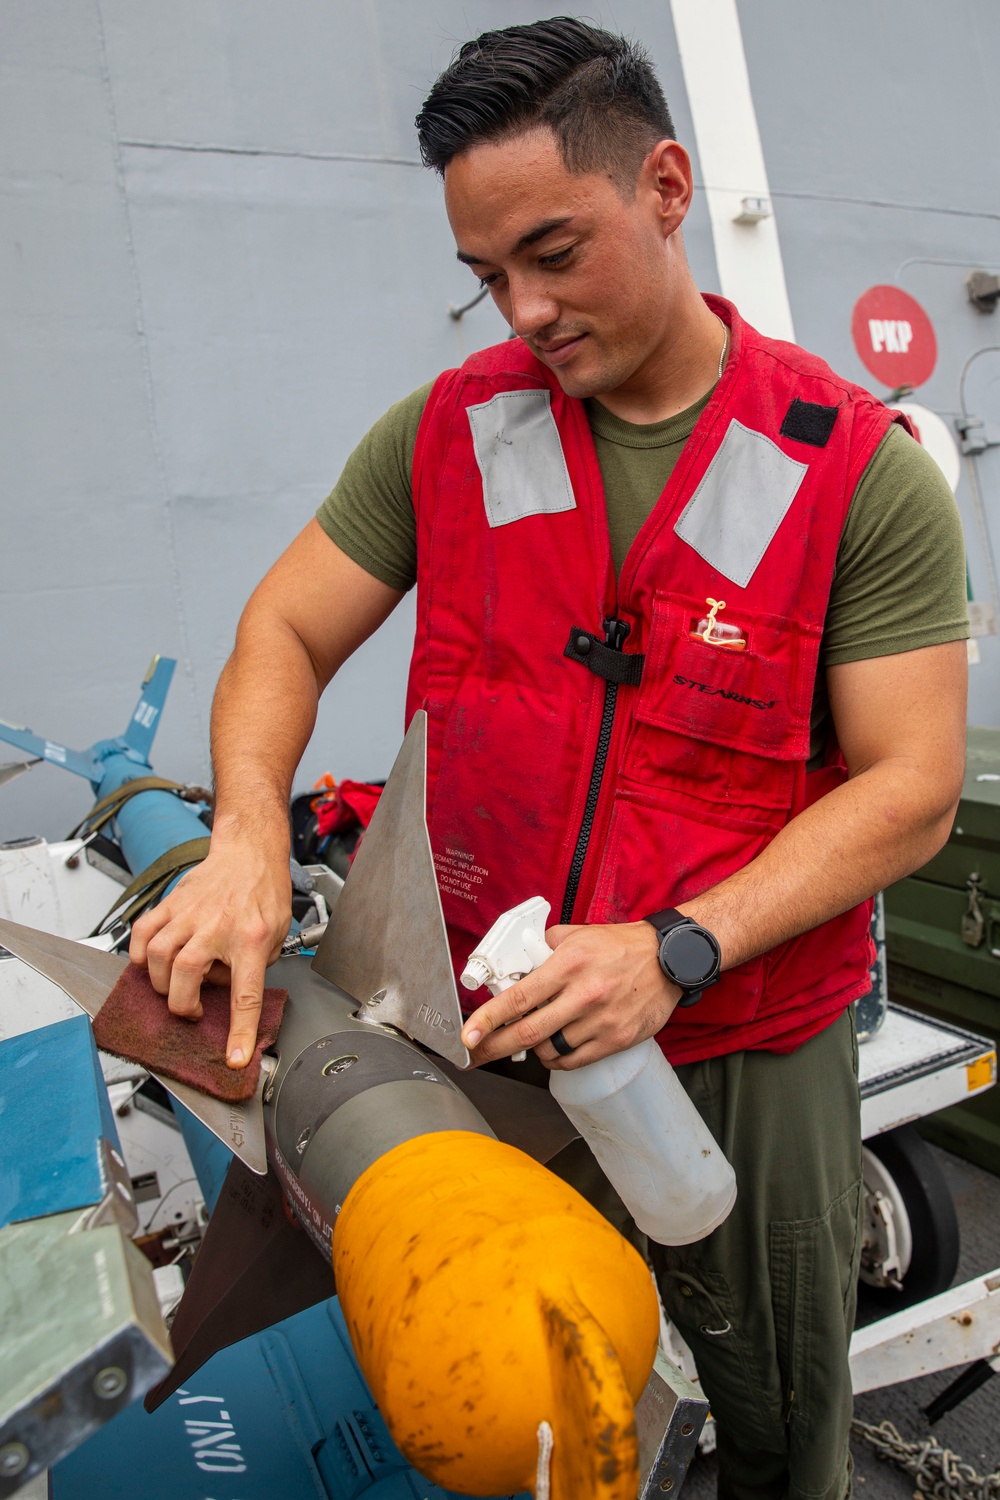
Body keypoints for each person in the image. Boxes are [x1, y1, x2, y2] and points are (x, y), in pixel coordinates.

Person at [130, 18, 969, 1498]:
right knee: (516, 1390)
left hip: (735, 1047)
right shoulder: (446, 437)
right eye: (485, 278)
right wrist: (252, 834)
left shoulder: (855, 472)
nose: (521, 309)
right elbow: (283, 631)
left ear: (663, 184)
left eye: (552, 252)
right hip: (488, 1029)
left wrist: (679, 948)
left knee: (775, 1410)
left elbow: (908, 787)